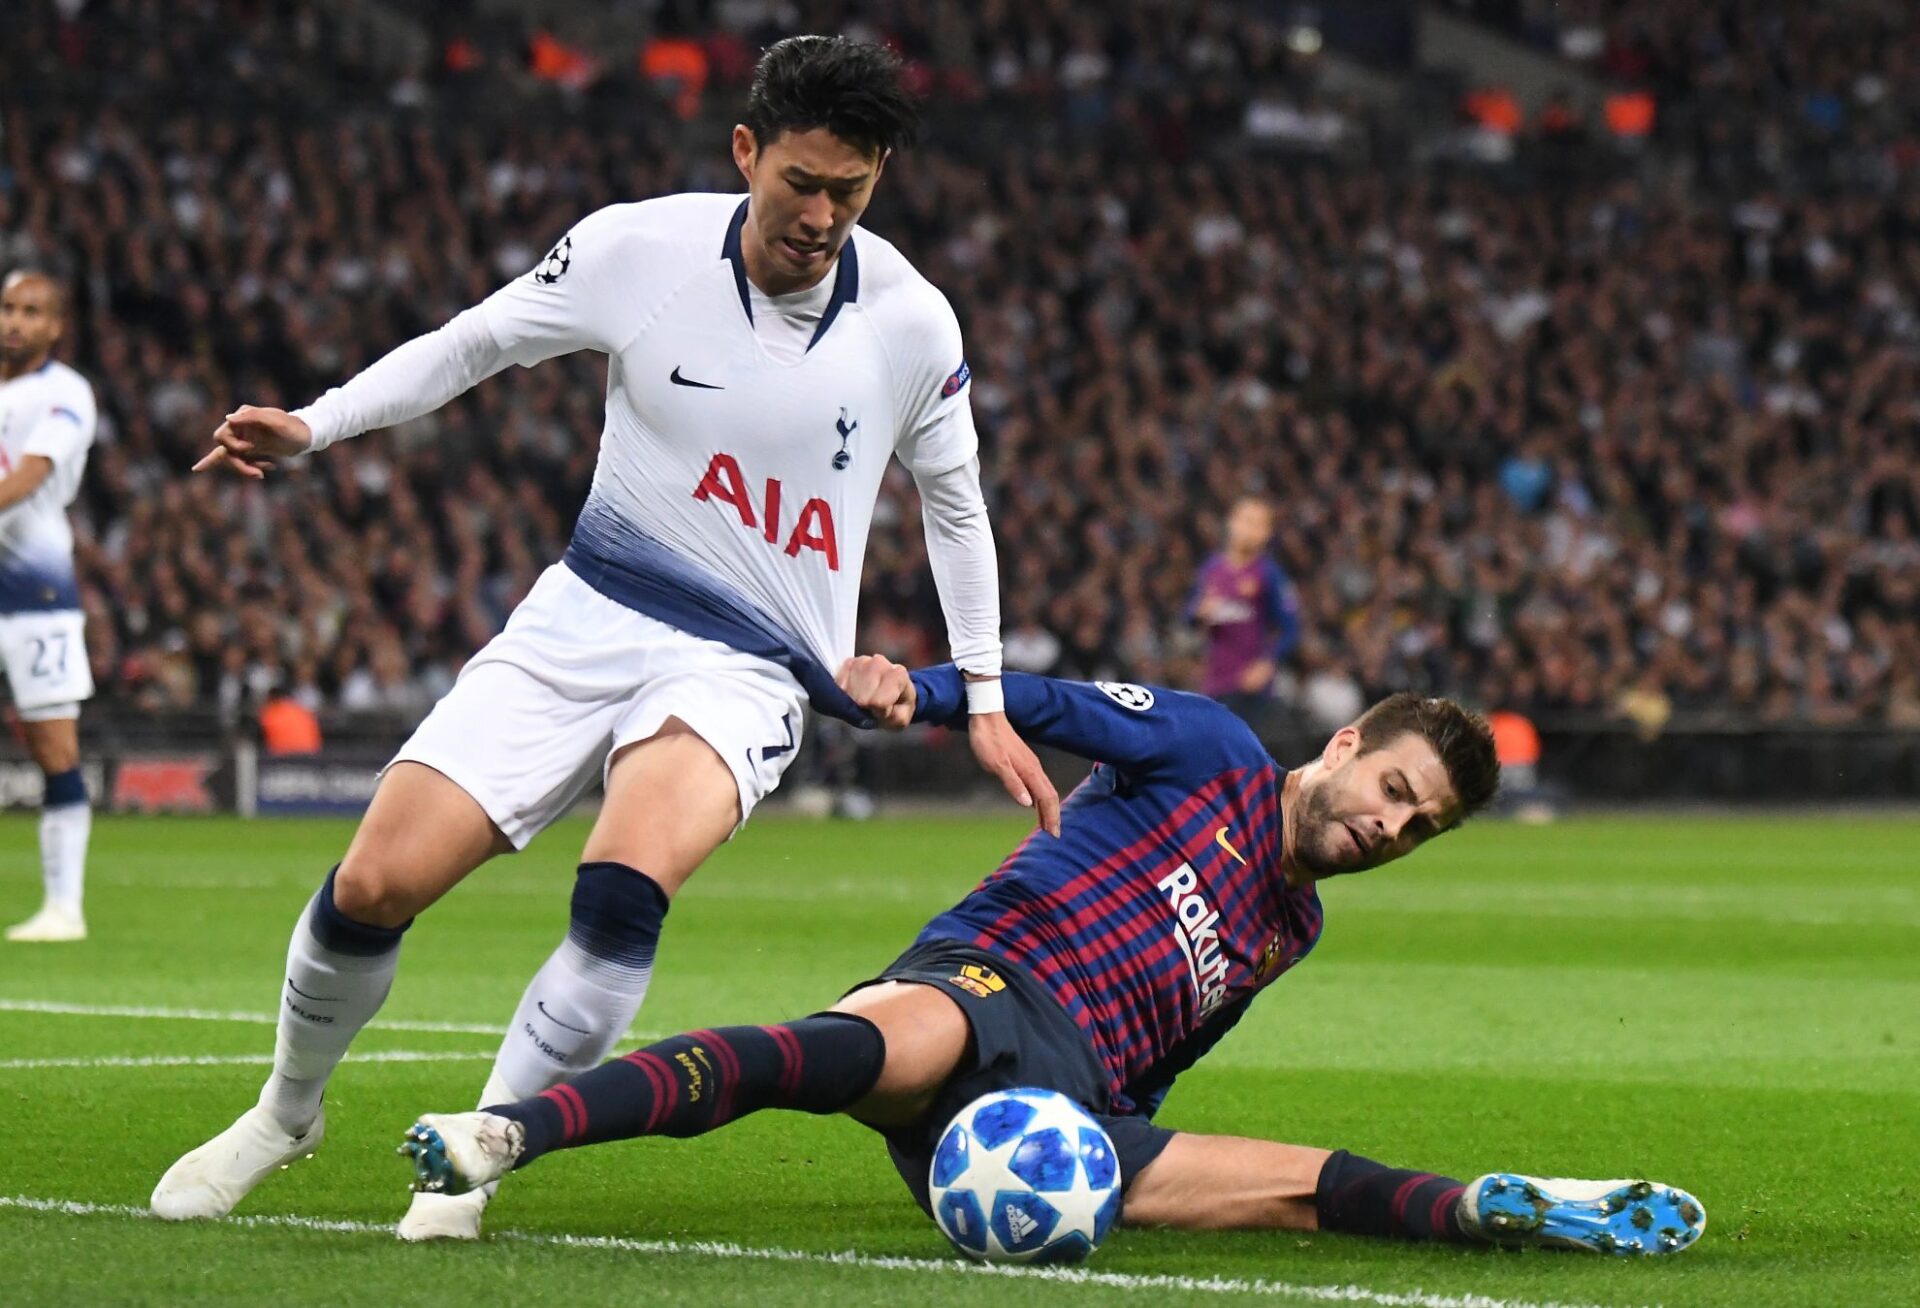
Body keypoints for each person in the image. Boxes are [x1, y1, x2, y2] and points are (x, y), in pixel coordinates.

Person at [151, 36, 1062, 1241]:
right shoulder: (635, 249)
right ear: (746, 152)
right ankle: (285, 1110)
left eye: (852, 187)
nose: (823, 214)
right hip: (586, 611)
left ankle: (471, 1160)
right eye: (801, 181)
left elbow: (957, 505)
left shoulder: (910, 321)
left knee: (622, 886)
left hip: (748, 666)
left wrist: (986, 696)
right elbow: (476, 341)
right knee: (374, 881)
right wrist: (317, 426)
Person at [399, 656, 1706, 1258]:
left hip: (1060, 1111)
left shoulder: (1292, 928)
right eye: (1399, 790)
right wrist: (922, 686)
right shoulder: (1210, 751)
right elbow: (1048, 700)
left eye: (1424, 828)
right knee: (839, 1051)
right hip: (988, 981)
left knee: (1308, 1187)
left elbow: (1166, 1052)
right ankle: (514, 1132)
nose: (1394, 826)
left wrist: (1118, 1154)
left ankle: (1496, 1207)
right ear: (1352, 742)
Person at [0, 270, 99, 944]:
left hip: (36, 590)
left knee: (54, 746)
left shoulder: (65, 394)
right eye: (7, 308)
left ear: (56, 325)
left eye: (31, 311)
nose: (14, 321)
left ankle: (64, 907)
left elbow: (30, 476)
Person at [1189, 495, 1300, 728]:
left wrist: (1267, 663)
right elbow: (1189, 615)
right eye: (1247, 521)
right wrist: (1199, 612)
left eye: (1259, 524)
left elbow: (1291, 628)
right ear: (1231, 522)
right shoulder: (1212, 568)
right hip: (1214, 683)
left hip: (1249, 688)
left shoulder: (1268, 573)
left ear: (1267, 533)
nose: (1251, 530)